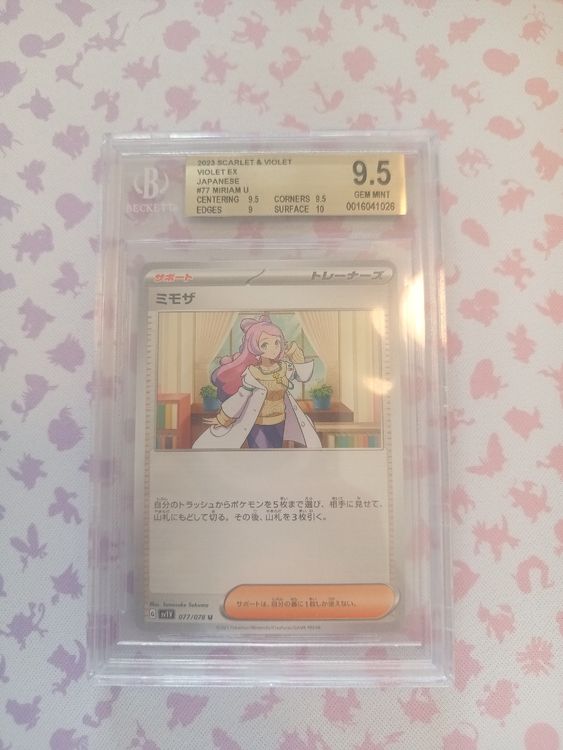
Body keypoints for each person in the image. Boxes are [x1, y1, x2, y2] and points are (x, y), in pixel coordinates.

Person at [193, 315, 321, 449]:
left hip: (280, 421)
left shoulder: (284, 368)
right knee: (261, 455)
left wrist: (298, 359)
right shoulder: (253, 373)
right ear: (255, 347)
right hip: (257, 424)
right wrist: (223, 418)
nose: (274, 348)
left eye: (277, 342)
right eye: (265, 344)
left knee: (275, 454)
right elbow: (241, 397)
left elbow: (303, 377)